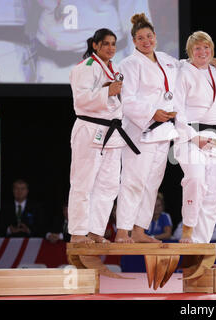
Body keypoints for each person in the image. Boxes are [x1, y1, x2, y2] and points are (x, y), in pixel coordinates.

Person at [68, 28, 139, 244]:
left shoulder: (114, 68)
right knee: (83, 182)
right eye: (105, 44)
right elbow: (80, 100)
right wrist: (107, 91)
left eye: (113, 44)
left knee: (109, 185)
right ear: (95, 46)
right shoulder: (86, 67)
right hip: (89, 129)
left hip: (111, 131)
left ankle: (96, 231)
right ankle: (78, 233)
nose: (110, 48)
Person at [114, 13, 179, 244]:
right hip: (140, 131)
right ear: (133, 41)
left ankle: (140, 230)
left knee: (152, 184)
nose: (146, 41)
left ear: (155, 37)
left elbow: (187, 68)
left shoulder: (167, 60)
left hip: (163, 132)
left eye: (149, 36)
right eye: (140, 38)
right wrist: (152, 112)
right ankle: (122, 231)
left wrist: (208, 62)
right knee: (133, 181)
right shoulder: (129, 64)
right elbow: (127, 99)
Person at [173, 31, 216, 243]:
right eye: (197, 48)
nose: (202, 52)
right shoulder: (182, 71)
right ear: (189, 52)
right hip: (190, 136)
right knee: (195, 179)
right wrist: (193, 137)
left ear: (212, 50)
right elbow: (175, 108)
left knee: (213, 195)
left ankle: (202, 246)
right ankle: (187, 229)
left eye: (206, 47)